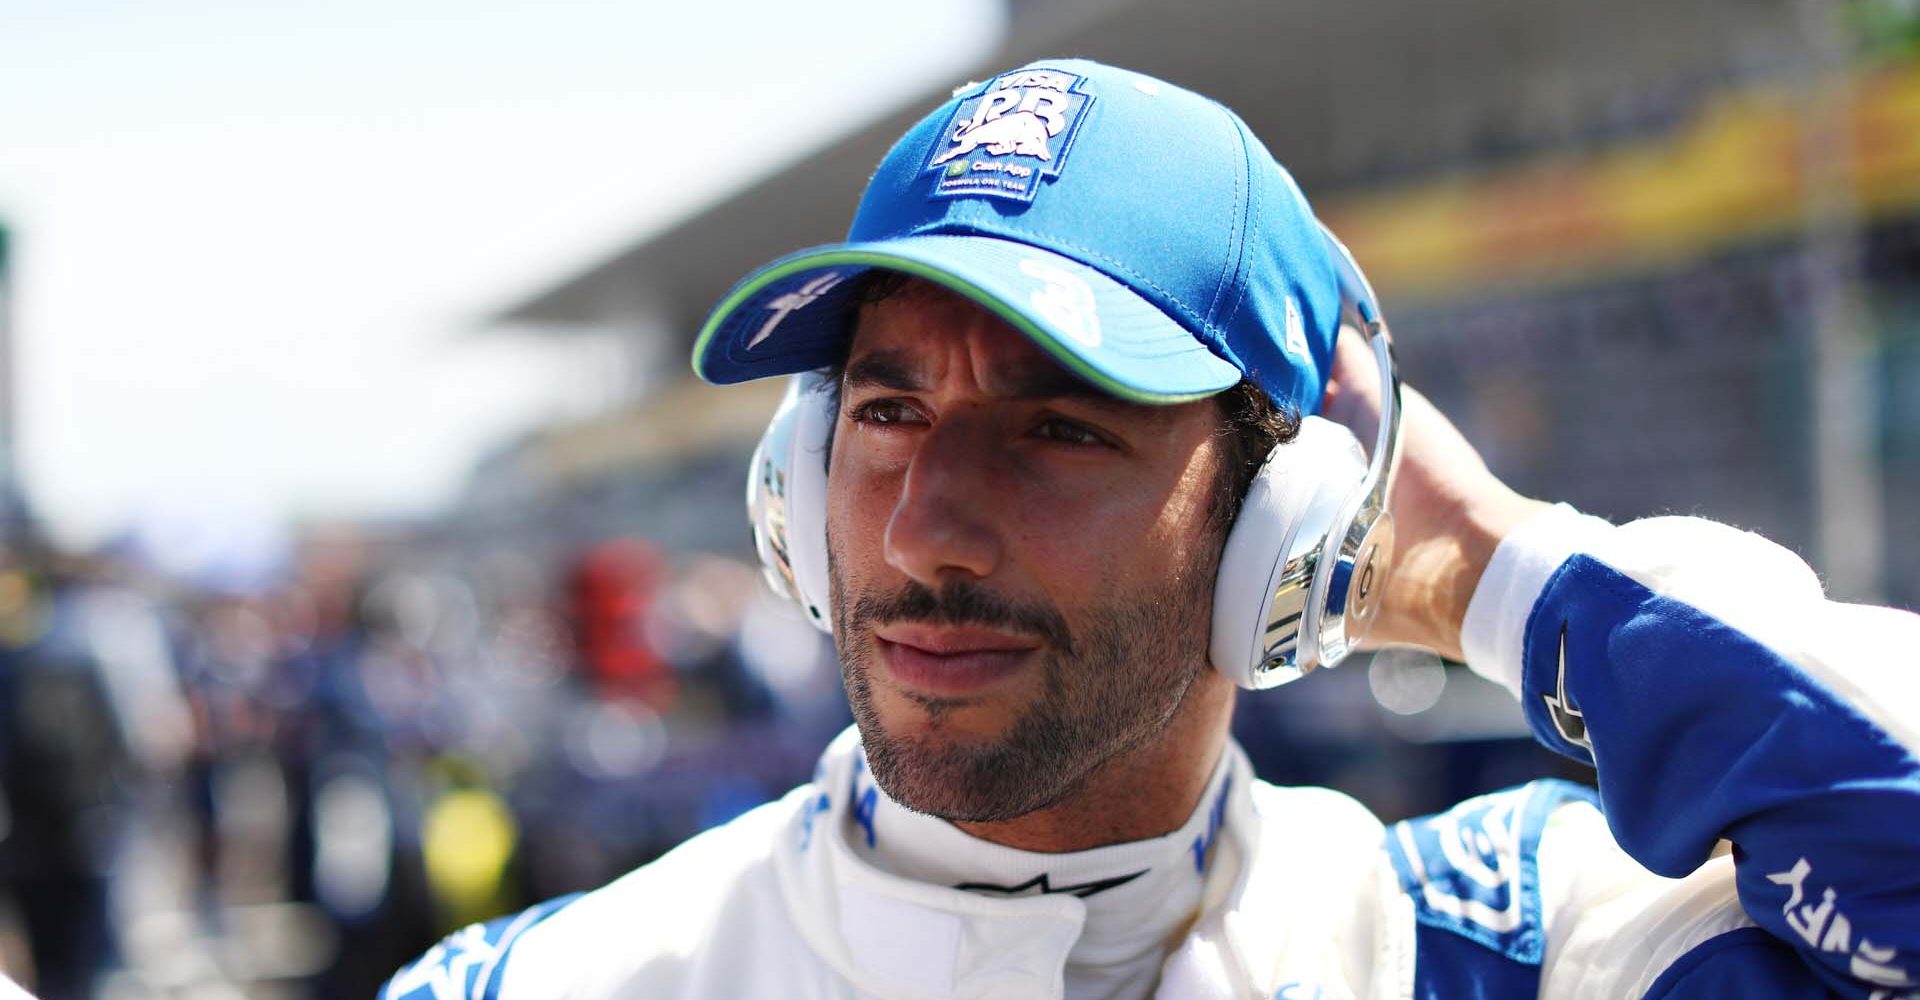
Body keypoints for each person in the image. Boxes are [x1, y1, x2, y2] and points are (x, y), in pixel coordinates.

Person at [383, 59, 1920, 999]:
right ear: (793, 483)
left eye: (1059, 426)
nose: (924, 532)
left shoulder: (1509, 948)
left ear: (1284, 518)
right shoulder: (532, 984)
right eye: (886, 411)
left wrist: (1492, 572)